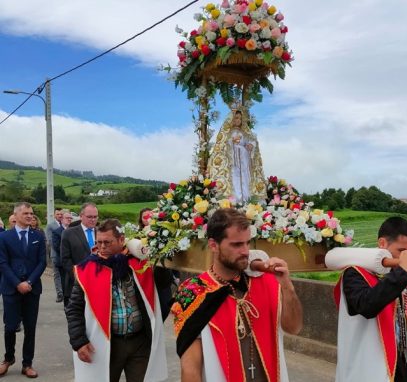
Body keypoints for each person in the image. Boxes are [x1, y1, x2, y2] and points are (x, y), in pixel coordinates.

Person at [172, 208, 303, 382]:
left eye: (248, 243)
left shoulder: (268, 282)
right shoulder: (194, 292)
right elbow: (190, 370)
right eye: (236, 245)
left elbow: (294, 328)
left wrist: (287, 286)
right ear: (213, 245)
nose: (245, 251)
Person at [335, 217, 407, 382]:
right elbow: (367, 306)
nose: (406, 258)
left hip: (403, 370)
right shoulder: (355, 274)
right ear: (382, 243)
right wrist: (402, 271)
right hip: (367, 370)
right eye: (401, 251)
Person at [65, 219, 167, 382]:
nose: (102, 247)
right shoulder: (87, 269)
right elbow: (74, 308)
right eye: (99, 242)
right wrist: (78, 341)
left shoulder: (139, 262)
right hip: (106, 345)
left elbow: (163, 284)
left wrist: (161, 254)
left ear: (121, 240)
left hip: (140, 342)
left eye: (107, 242)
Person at [0, 202, 47, 378]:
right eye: (26, 213)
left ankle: (27, 364)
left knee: (30, 328)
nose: (30, 216)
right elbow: (2, 263)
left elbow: (42, 262)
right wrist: (17, 283)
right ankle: (8, 358)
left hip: (32, 289)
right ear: (16, 215)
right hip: (11, 289)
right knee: (10, 326)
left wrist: (29, 282)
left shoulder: (38, 236)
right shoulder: (4, 237)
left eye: (32, 213)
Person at [208, 106, 266, 203]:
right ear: (231, 119)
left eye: (240, 118)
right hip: (232, 162)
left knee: (245, 179)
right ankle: (234, 201)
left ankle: (247, 200)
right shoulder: (227, 133)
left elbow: (252, 141)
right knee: (234, 179)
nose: (238, 120)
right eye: (236, 118)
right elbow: (221, 145)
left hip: (244, 160)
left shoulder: (245, 132)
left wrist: (251, 145)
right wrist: (231, 141)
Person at [60, 203, 98, 306]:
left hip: (98, 285)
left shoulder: (101, 233)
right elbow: (65, 259)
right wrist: (78, 276)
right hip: (76, 285)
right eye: (89, 217)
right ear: (81, 216)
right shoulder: (69, 233)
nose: (93, 220)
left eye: (95, 217)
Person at [51, 211, 73, 303]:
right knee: (65, 283)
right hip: (62, 261)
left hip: (74, 261)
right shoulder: (57, 232)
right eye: (67, 218)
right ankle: (66, 301)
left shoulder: (74, 230)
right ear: (62, 220)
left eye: (70, 218)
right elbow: (56, 246)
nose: (69, 220)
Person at [46, 208, 65, 302]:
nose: (60, 216)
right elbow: (50, 241)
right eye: (58, 214)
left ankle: (66, 292)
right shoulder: (50, 226)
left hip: (66, 255)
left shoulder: (66, 225)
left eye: (61, 214)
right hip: (55, 254)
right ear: (54, 215)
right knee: (57, 275)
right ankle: (59, 293)